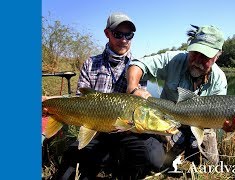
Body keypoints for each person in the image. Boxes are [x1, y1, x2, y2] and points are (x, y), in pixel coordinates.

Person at [49, 12, 167, 180]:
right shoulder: (91, 63)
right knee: (68, 168)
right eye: (118, 34)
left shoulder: (139, 67)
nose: (124, 40)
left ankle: (119, 164)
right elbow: (79, 100)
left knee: (154, 158)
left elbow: (140, 107)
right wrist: (54, 107)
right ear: (107, 33)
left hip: (127, 131)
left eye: (129, 35)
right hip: (96, 130)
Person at [126, 24, 235, 168]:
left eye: (205, 56)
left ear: (217, 56)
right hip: (169, 119)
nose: (197, 60)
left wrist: (228, 127)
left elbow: (220, 119)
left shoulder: (219, 80)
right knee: (159, 162)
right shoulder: (173, 59)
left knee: (209, 165)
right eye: (195, 52)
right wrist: (132, 88)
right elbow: (138, 64)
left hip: (202, 125)